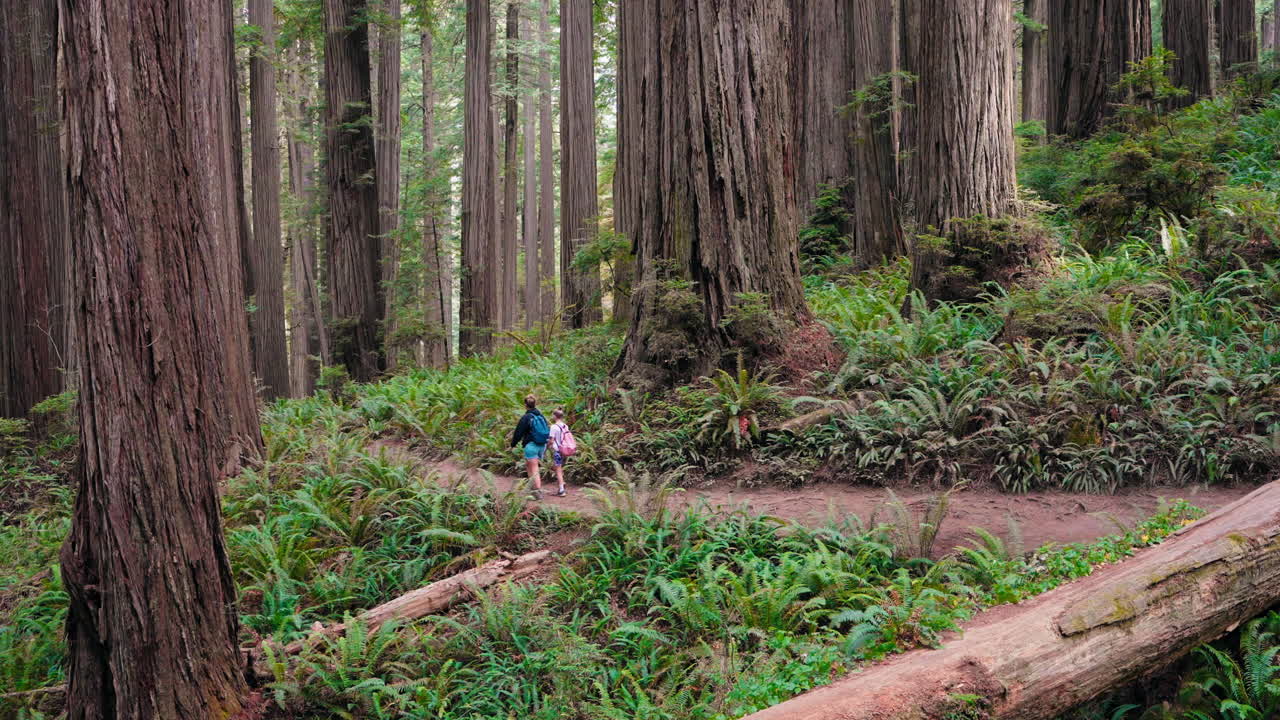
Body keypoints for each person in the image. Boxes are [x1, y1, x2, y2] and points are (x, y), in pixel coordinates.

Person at [510, 394, 551, 499]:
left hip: (531, 445)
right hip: (542, 445)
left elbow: (518, 432)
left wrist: (513, 444)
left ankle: (538, 492)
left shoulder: (526, 417)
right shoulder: (541, 416)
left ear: (525, 405)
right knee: (529, 466)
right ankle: (531, 489)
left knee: (534, 468)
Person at [547, 409, 571, 497]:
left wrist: (547, 445)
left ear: (555, 416)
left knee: (558, 469)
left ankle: (561, 490)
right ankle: (562, 483)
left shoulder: (553, 427)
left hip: (557, 450)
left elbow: (551, 440)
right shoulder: (565, 426)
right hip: (564, 450)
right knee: (559, 467)